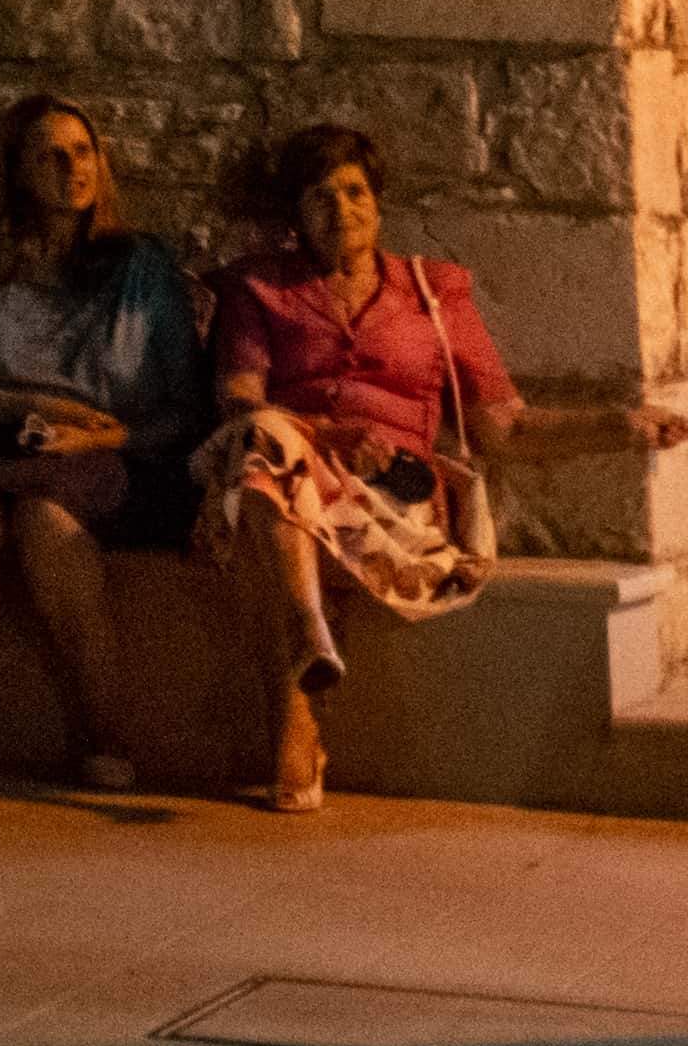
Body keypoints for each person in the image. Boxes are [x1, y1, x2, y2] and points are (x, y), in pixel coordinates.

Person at [195, 117, 519, 811]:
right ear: (295, 215)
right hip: (291, 475)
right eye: (320, 196)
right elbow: (238, 399)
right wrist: (327, 436)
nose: (340, 210)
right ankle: (308, 641)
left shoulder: (434, 292)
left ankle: (297, 696)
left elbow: (502, 424)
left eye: (354, 192)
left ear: (377, 202)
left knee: (265, 483)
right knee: (267, 446)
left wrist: (623, 425)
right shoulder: (259, 290)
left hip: (391, 500)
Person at [0, 93, 194, 788]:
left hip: (107, 457)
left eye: (83, 151)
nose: (74, 168)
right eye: (51, 156)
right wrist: (34, 404)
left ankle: (103, 731)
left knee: (46, 523)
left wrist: (103, 434)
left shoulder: (140, 267)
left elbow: (187, 407)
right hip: (2, 444)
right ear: (18, 172)